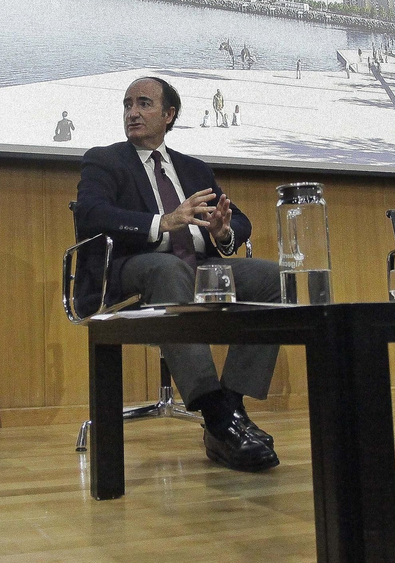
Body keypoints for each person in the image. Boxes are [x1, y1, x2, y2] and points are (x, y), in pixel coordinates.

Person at [75, 77, 283, 471]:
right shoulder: (105, 160)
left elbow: (238, 220)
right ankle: (217, 414)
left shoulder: (193, 168)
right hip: (130, 271)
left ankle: (231, 406)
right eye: (127, 104)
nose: (132, 112)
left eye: (144, 104)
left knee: (273, 277)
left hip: (201, 269)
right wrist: (161, 221)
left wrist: (224, 233)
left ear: (169, 115)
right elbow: (91, 215)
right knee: (168, 268)